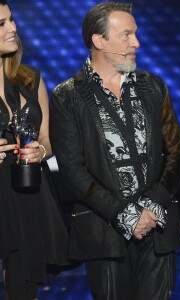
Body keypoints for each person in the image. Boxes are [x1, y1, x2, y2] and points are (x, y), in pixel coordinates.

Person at [50, 2, 180, 300]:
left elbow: (176, 151)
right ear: (99, 41)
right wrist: (126, 216)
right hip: (105, 232)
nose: (136, 42)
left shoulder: (152, 86)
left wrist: (152, 206)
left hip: (157, 227)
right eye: (126, 35)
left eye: (135, 34)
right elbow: (73, 170)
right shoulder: (67, 96)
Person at [0, 1, 69, 299]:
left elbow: (48, 138)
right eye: (1, 24)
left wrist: (41, 150)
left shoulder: (30, 78)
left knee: (23, 285)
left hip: (27, 190)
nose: (13, 28)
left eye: (11, 20)